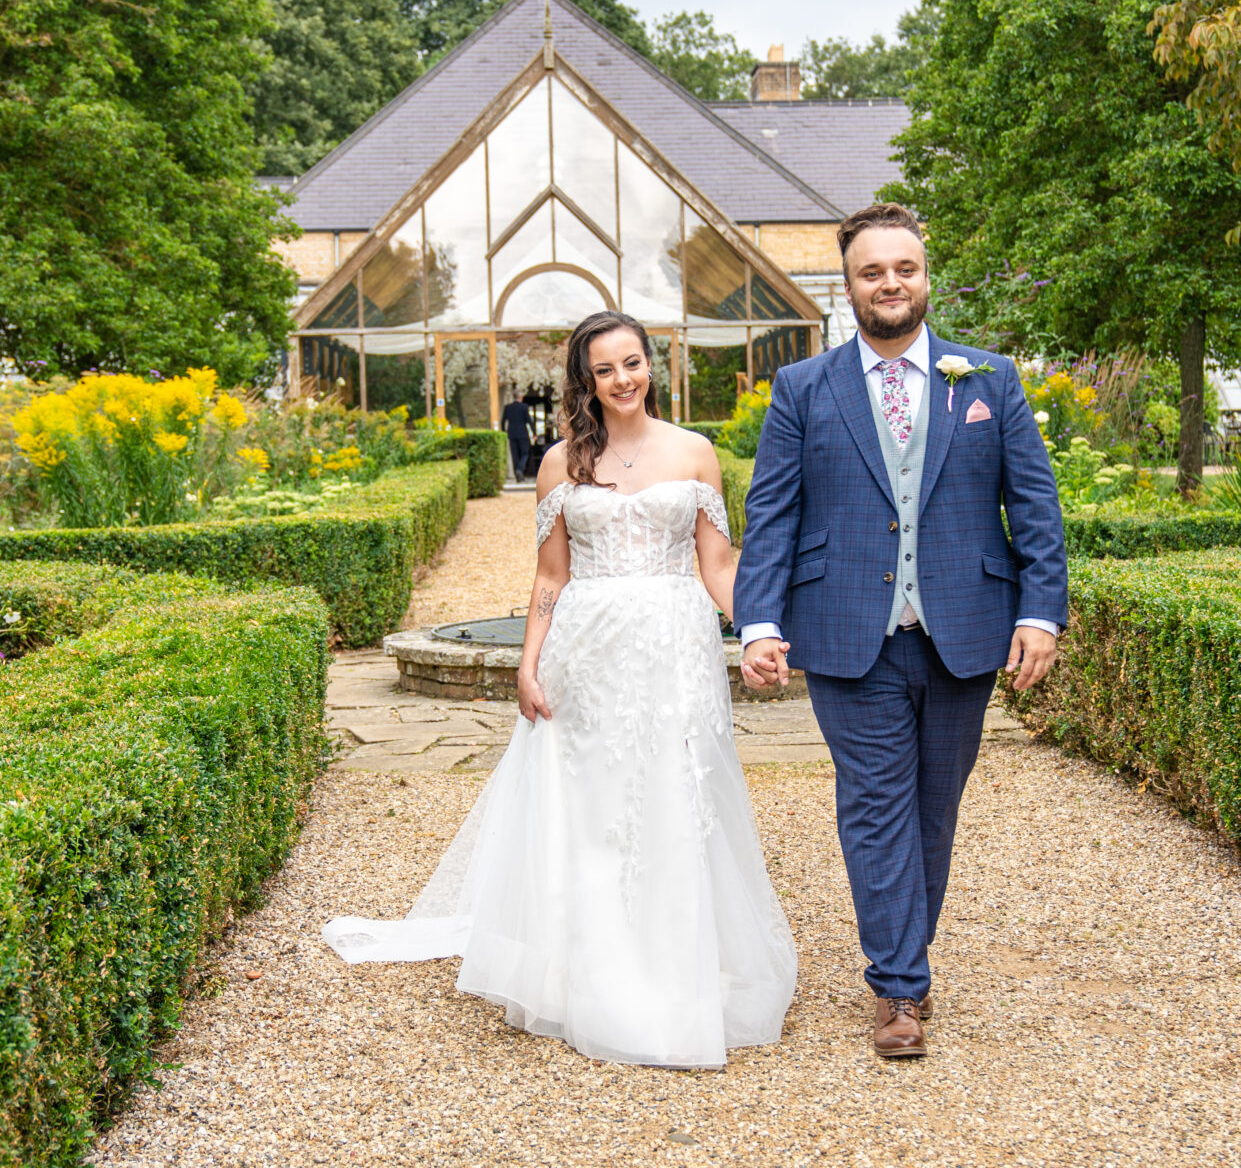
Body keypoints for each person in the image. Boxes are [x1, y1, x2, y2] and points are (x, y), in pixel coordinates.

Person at [322, 309, 798, 1069]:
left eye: (633, 362)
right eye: (604, 369)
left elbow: (718, 567)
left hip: (677, 646)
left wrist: (761, 629)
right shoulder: (559, 463)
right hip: (590, 649)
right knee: (598, 803)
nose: (623, 380)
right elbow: (551, 577)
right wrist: (528, 662)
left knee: (680, 790)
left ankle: (681, 964)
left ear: (653, 364)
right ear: (586, 380)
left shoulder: (696, 452)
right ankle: (595, 970)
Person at [733, 203, 1068, 1061]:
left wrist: (1040, 612)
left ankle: (901, 953)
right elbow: (772, 510)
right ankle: (899, 987)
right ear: (846, 286)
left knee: (934, 807)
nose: (890, 284)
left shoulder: (987, 379)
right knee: (876, 802)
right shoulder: (804, 388)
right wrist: (759, 620)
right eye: (871, 271)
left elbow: (1033, 506)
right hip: (847, 629)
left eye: (904, 269)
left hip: (966, 626)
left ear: (926, 276)